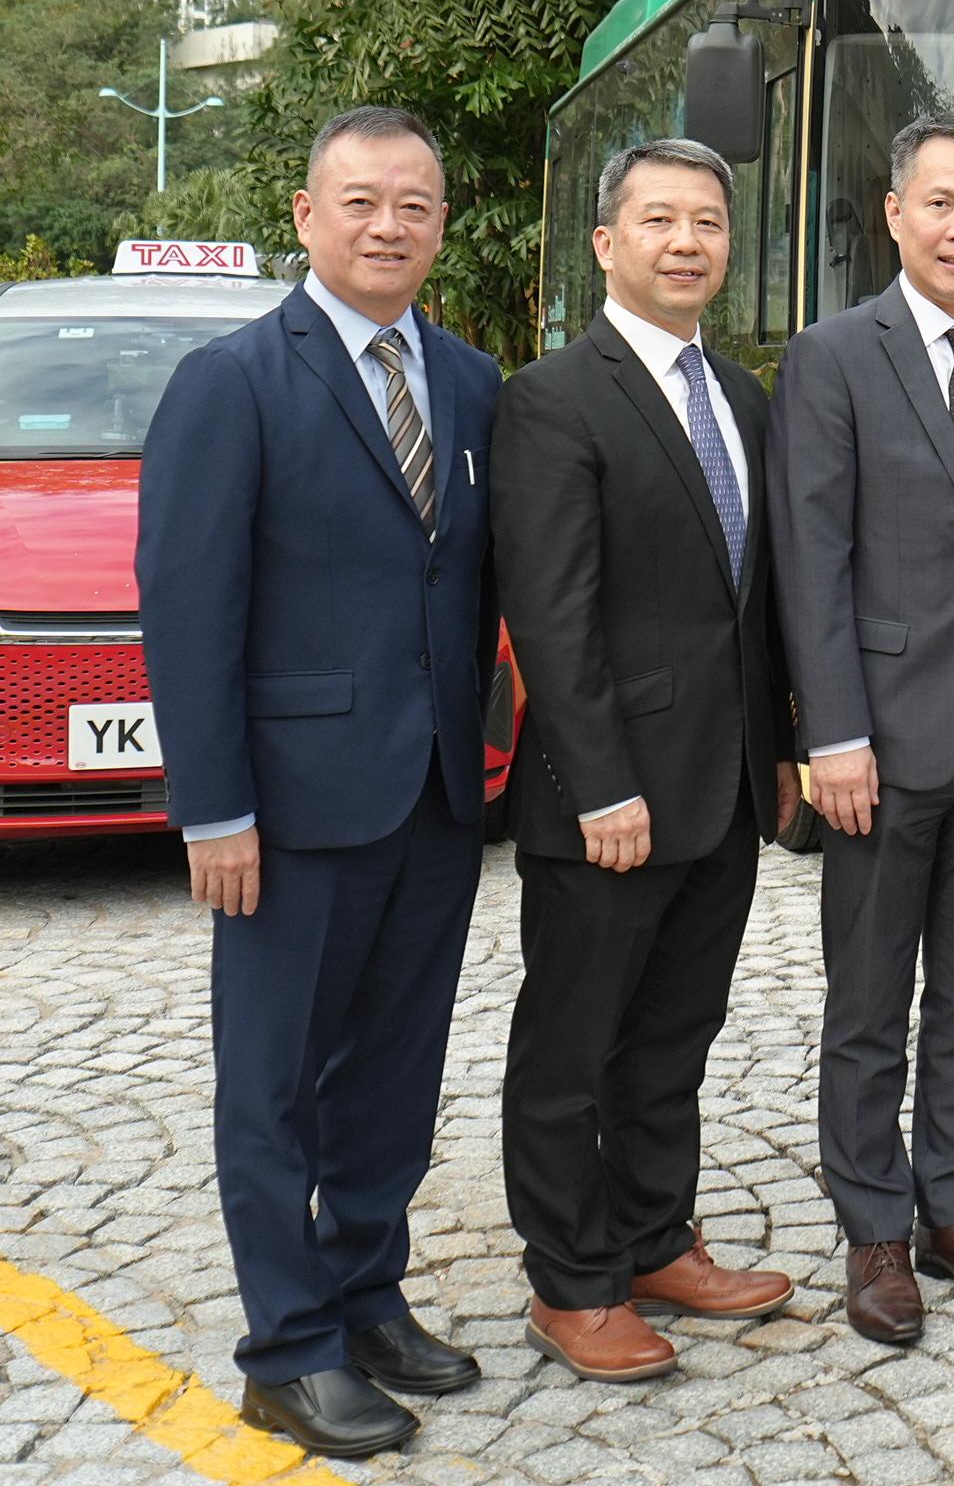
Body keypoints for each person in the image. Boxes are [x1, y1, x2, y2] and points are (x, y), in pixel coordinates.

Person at [138, 108, 499, 1459]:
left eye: (414, 203)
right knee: (274, 1080)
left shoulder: (468, 380)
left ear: (440, 225)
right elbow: (185, 606)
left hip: (432, 798)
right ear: (306, 215)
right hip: (287, 809)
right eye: (360, 202)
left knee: (394, 1075)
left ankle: (363, 1292)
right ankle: (287, 1349)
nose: (387, 224)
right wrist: (213, 808)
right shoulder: (231, 383)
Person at [491, 139, 801, 1383]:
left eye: (709, 222)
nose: (687, 241)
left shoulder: (743, 394)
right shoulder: (554, 396)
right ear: (607, 242)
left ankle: (655, 1233)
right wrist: (599, 780)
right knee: (571, 1048)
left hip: (723, 785)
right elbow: (552, 615)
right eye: (660, 219)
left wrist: (773, 750)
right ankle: (570, 1279)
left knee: (677, 1030)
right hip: (608, 800)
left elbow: (755, 602)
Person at [768, 112, 954, 1347]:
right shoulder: (836, 355)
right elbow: (812, 555)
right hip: (883, 736)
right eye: (940, 202)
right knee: (867, 992)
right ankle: (874, 1230)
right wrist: (829, 730)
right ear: (895, 213)